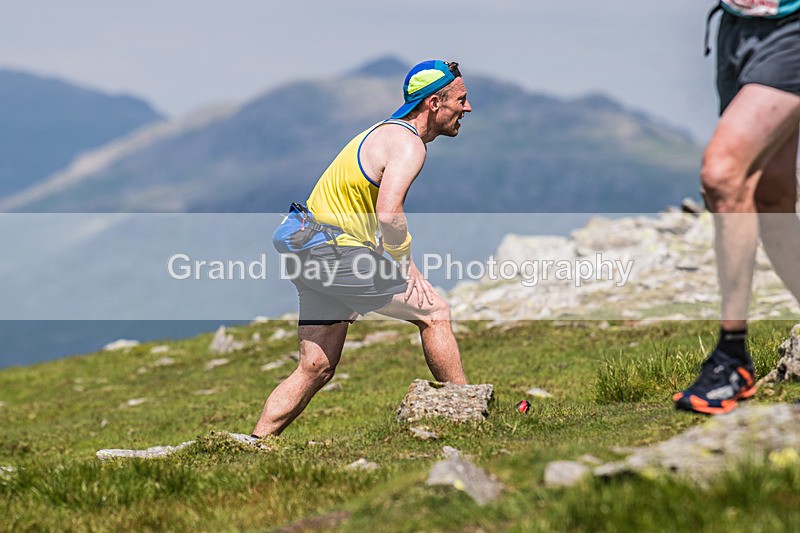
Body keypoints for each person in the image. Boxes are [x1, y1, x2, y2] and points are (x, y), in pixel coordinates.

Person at [252, 60, 472, 437]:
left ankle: (254, 445)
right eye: (461, 99)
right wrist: (405, 265)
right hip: (333, 251)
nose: (467, 108)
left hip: (307, 245)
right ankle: (468, 413)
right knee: (434, 310)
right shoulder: (407, 144)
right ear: (435, 103)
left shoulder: (381, 133)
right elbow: (388, 213)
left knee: (316, 366)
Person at [674, 0, 800, 414]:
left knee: (723, 175)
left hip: (792, 29)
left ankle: (732, 359)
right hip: (737, 26)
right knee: (771, 195)